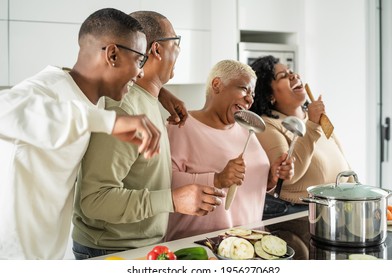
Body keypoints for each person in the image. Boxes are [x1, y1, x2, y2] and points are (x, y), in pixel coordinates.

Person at [0, 8, 166, 260]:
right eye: (139, 60)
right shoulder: (44, 90)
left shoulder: (93, 99)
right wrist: (110, 122)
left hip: (47, 256)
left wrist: (163, 94)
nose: (141, 71)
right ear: (112, 54)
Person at [71, 11, 225, 260]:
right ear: (156, 50)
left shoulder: (148, 98)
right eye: (176, 44)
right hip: (111, 250)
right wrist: (173, 200)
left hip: (139, 245)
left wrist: (161, 91)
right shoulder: (123, 108)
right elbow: (95, 200)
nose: (178, 53)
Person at [164, 60, 294, 241]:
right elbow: (162, 181)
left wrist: (272, 179)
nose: (250, 99)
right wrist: (217, 179)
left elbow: (251, 184)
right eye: (244, 89)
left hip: (249, 245)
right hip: (200, 247)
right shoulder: (180, 125)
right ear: (217, 85)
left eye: (253, 94)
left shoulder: (246, 129)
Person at [249, 55, 352, 218]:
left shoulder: (315, 119)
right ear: (270, 95)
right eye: (283, 76)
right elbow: (287, 178)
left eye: (291, 71)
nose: (294, 76)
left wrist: (359, 194)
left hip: (337, 213)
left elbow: (344, 163)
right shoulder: (268, 125)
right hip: (300, 217)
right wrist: (311, 125)